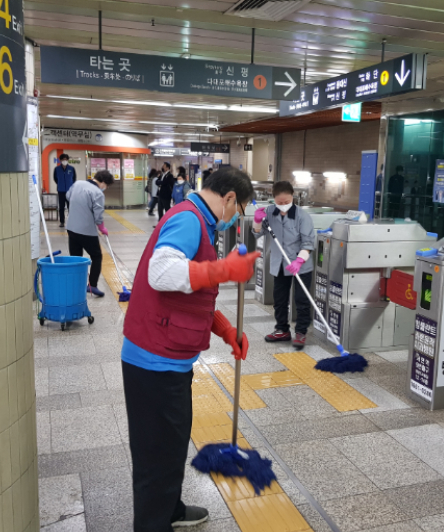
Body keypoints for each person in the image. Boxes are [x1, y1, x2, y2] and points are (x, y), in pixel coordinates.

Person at [121, 167, 260, 531]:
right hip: (154, 361)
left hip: (170, 357)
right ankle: (154, 523)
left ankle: (169, 509)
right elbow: (162, 273)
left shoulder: (200, 220)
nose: (236, 219)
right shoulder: (189, 220)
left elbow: (191, 297)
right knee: (157, 453)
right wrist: (223, 270)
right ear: (229, 199)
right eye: (239, 210)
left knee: (170, 445)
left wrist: (225, 329)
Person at [253, 181, 315, 348]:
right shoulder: (270, 212)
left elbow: (308, 243)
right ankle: (282, 330)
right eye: (279, 202)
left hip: (300, 264)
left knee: (301, 300)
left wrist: (299, 260)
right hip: (279, 264)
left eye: (287, 202)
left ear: (292, 197)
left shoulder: (302, 216)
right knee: (279, 299)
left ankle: (301, 332)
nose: (283, 205)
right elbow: (257, 234)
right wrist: (257, 221)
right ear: (273, 199)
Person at [66, 170, 115, 297]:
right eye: (107, 186)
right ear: (103, 182)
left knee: (76, 258)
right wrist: (102, 228)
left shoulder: (77, 184)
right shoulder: (98, 193)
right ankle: (92, 286)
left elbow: (68, 196)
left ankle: (76, 285)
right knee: (96, 256)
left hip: (71, 227)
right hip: (86, 231)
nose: (106, 188)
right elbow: (98, 215)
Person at [54, 153, 77, 227]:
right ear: (60, 160)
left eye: (66, 159)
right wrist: (60, 184)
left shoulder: (71, 168)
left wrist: (70, 185)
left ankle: (72, 221)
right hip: (60, 190)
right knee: (61, 207)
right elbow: (55, 179)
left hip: (70, 191)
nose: (65, 161)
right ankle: (62, 222)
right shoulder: (57, 169)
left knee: (71, 206)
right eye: (63, 159)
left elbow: (74, 179)